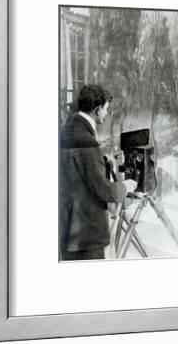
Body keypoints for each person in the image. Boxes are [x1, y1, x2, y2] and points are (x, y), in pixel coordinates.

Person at [60, 84, 137, 260]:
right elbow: (103, 190)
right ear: (96, 110)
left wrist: (101, 161)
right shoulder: (87, 142)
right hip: (87, 234)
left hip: (65, 228)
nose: (106, 113)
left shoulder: (67, 132)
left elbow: (76, 173)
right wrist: (125, 186)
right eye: (105, 109)